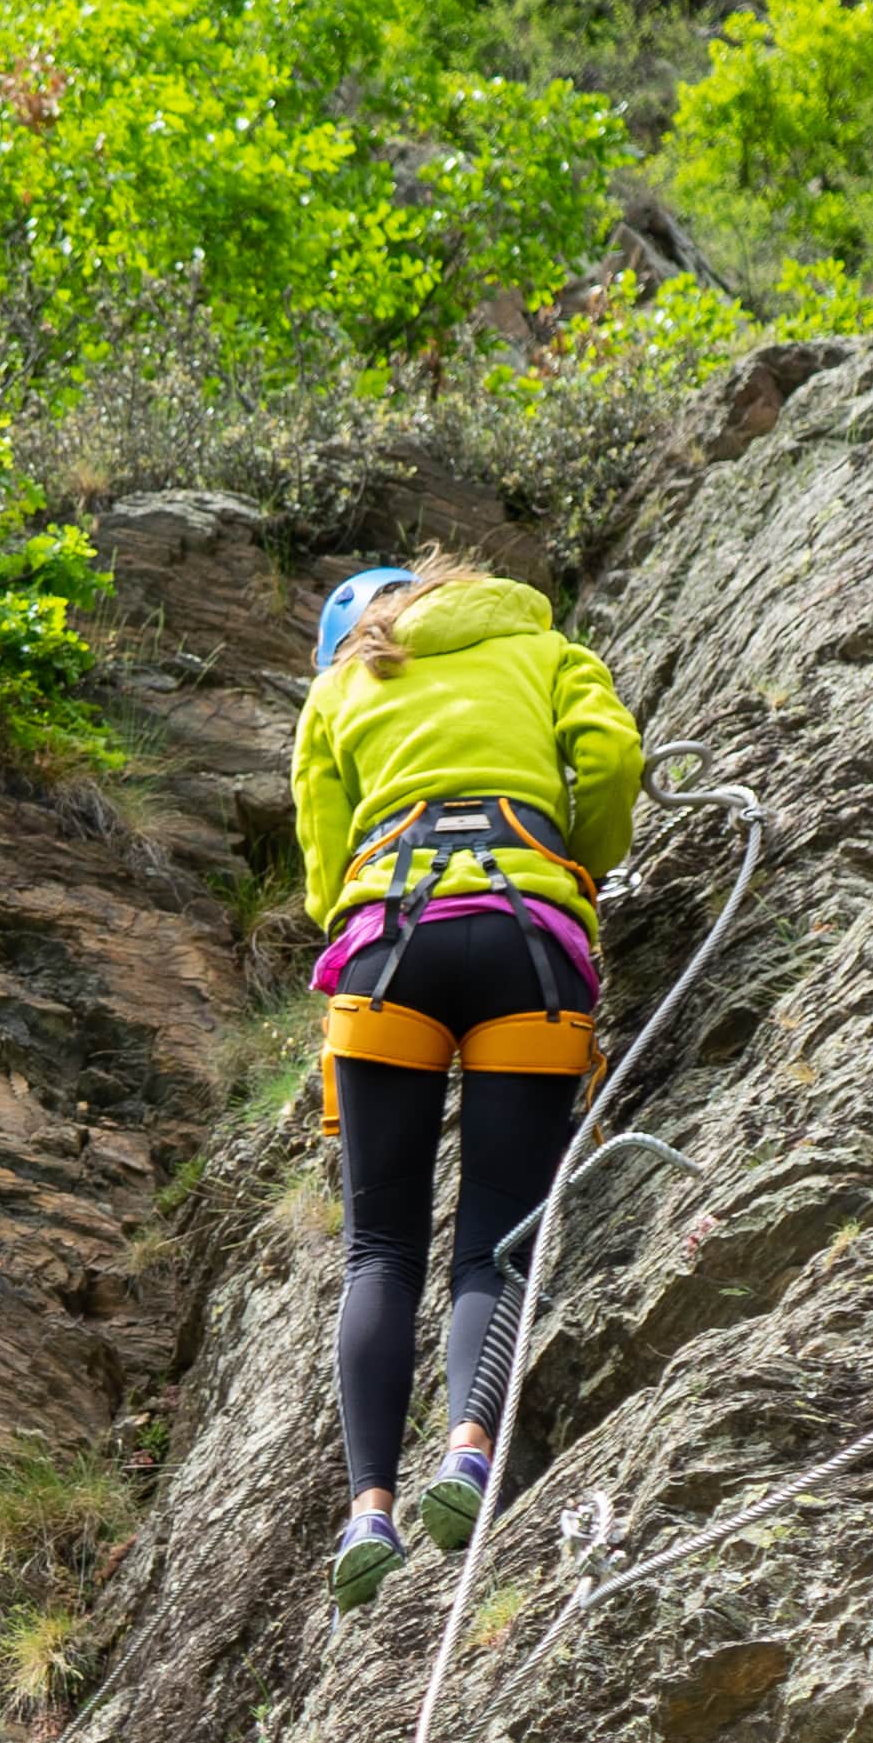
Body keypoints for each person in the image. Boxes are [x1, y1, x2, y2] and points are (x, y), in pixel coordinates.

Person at [292, 549, 647, 1609]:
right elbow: (613, 757)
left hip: (386, 952)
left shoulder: (342, 686)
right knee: (500, 1227)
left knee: (380, 1246)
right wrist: (574, 861)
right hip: (528, 947)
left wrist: (349, 899)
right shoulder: (544, 647)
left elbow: (320, 859)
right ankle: (468, 1451)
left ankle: (368, 1512)